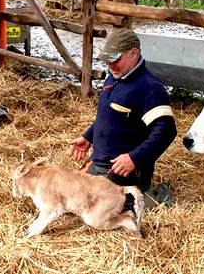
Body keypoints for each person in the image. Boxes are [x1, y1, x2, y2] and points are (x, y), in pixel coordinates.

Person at [70, 28, 177, 199]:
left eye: (115, 59)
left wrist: (134, 158)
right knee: (69, 195)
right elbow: (111, 116)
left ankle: (155, 197)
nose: (110, 65)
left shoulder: (149, 88)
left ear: (133, 53)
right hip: (100, 161)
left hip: (123, 170)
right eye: (107, 60)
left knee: (98, 207)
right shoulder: (114, 77)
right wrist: (88, 137)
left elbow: (167, 131)